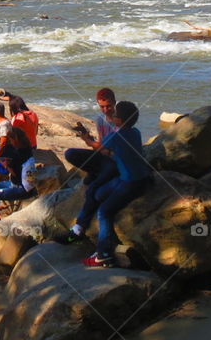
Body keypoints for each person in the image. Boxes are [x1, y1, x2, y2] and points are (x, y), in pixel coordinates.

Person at [57, 101, 152, 268]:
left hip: (130, 183)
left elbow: (99, 148)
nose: (112, 116)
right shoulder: (135, 132)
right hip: (138, 177)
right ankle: (89, 235)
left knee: (104, 212)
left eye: (115, 115)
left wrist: (86, 139)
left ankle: (103, 254)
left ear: (119, 120)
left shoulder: (116, 136)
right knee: (97, 193)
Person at [0, 126, 37, 214]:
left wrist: (6, 166)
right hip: (27, 186)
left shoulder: (18, 156)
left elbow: (15, 173)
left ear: (14, 140)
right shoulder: (27, 150)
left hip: (20, 188)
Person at [64, 88, 119, 185]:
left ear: (114, 103)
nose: (105, 110)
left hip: (116, 160)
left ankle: (100, 174)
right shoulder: (100, 120)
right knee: (70, 153)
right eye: (102, 107)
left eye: (108, 106)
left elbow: (114, 150)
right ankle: (97, 172)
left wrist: (91, 142)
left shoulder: (121, 121)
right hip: (104, 157)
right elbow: (101, 145)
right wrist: (88, 140)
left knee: (94, 184)